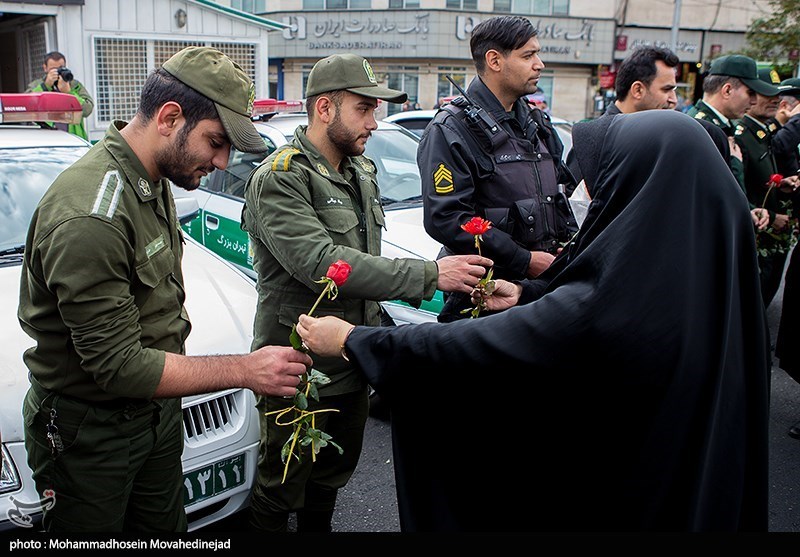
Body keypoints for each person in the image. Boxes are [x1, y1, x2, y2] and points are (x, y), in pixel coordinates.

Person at [296, 110, 770, 532]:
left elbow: (529, 336)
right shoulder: (701, 257)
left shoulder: (617, 297)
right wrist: (527, 290)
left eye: (603, 179)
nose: (588, 192)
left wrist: (357, 342)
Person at [18, 46, 312, 532]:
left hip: (154, 415)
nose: (221, 162)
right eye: (216, 141)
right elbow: (119, 366)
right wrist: (245, 369)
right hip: (92, 434)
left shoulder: (151, 180)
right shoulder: (91, 215)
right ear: (170, 118)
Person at [240, 53, 492, 533]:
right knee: (281, 483)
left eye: (376, 110)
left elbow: (368, 268)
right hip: (297, 365)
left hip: (351, 356)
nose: (374, 123)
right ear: (325, 109)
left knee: (331, 479)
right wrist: (428, 275)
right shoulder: (281, 177)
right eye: (364, 108)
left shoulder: (362, 172)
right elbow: (322, 264)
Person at [418, 16, 578, 323]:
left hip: (538, 289)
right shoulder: (452, 129)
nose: (539, 64)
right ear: (495, 60)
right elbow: (447, 218)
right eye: (528, 55)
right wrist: (524, 260)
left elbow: (563, 195)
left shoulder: (537, 123)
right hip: (482, 298)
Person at [569, 46, 769, 230]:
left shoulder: (661, 138)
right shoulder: (594, 141)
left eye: (675, 89)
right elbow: (576, 217)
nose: (674, 99)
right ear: (638, 90)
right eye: (666, 90)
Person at [733, 67, 799, 307]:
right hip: (756, 231)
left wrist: (781, 184)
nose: (774, 100)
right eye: (765, 94)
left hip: (770, 232)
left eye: (775, 95)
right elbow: (739, 187)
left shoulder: (763, 133)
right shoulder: (741, 135)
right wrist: (770, 217)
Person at [25, 51, 94, 140]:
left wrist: (69, 93)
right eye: (53, 69)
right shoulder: (36, 85)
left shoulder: (74, 85)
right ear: (45, 68)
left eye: (61, 68)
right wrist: (45, 86)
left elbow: (87, 110)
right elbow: (26, 105)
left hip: (74, 140)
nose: (58, 72)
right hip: (47, 140)